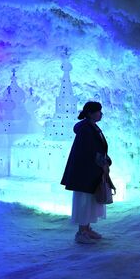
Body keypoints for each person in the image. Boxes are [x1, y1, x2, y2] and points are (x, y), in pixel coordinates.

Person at [61, 101, 113, 244]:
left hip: (90, 171)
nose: (101, 114)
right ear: (90, 113)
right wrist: (103, 162)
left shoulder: (90, 127)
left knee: (89, 201)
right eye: (98, 111)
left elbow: (97, 149)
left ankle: (87, 228)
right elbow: (88, 151)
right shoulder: (86, 129)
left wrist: (104, 161)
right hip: (84, 173)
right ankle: (82, 232)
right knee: (83, 201)